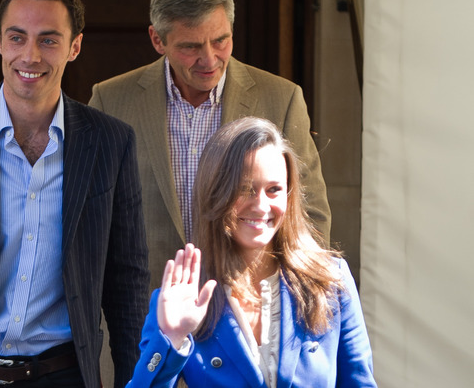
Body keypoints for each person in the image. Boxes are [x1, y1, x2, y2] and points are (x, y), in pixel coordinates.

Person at [0, 0, 149, 387]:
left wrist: (132, 382)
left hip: (63, 374)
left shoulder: (111, 141)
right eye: (17, 37)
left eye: (48, 40)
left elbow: (127, 279)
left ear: (74, 46)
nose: (30, 56)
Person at [89, 0, 332, 290]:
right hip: (142, 315)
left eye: (220, 41)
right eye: (190, 47)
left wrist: (296, 302)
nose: (209, 59)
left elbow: (309, 212)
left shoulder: (282, 99)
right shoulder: (111, 100)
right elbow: (88, 216)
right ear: (157, 40)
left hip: (251, 308)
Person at [126, 117, 375, 387]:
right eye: (245, 189)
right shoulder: (185, 297)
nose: (261, 206)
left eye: (274, 190)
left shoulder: (330, 280)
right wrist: (171, 338)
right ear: (215, 192)